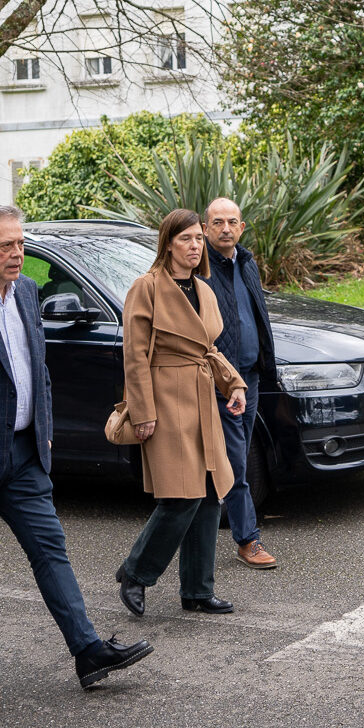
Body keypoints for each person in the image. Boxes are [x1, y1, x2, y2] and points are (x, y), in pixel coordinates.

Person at [0, 204, 152, 694]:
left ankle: (87, 651)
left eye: (21, 244)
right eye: (6, 246)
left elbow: (36, 367)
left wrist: (41, 427)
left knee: (50, 549)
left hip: (23, 453)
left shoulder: (26, 291)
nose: (18, 254)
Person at [115, 208, 250, 619]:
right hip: (165, 400)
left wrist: (234, 384)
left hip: (202, 398)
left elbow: (208, 350)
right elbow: (134, 356)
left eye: (197, 239)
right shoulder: (147, 287)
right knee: (181, 497)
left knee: (209, 494)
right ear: (168, 243)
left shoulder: (204, 290)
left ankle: (196, 590)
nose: (194, 246)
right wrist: (143, 411)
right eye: (185, 239)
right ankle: (136, 573)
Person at [198, 198, 280, 570]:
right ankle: (247, 540)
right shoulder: (200, 273)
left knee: (235, 457)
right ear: (205, 228)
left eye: (232, 222)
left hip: (251, 377)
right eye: (217, 222)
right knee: (236, 461)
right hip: (222, 381)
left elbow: (257, 315)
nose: (225, 229)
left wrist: (264, 365)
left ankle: (197, 526)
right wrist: (226, 379)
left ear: (242, 227)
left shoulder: (247, 263)